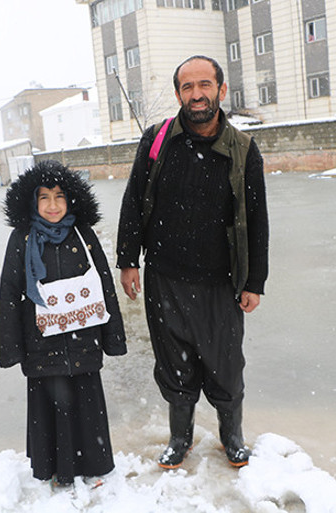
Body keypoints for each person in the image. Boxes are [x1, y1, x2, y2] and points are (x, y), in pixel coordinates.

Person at [116, 55, 269, 469]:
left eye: (205, 85)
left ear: (221, 90)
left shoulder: (242, 149)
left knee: (225, 365)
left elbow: (257, 220)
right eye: (187, 86)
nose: (196, 94)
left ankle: (231, 435)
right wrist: (128, 259)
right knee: (174, 365)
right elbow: (133, 201)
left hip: (221, 282)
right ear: (179, 93)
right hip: (165, 276)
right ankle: (180, 437)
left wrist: (254, 281)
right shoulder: (158, 139)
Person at [0, 160, 127, 487]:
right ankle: (55, 468)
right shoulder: (21, 238)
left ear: (71, 199)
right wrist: (11, 348)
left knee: (86, 402)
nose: (52, 206)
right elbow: (10, 293)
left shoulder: (83, 235)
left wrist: (113, 338)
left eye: (59, 196)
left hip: (84, 338)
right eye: (44, 198)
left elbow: (104, 284)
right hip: (41, 343)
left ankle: (94, 466)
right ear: (32, 201)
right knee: (50, 403)